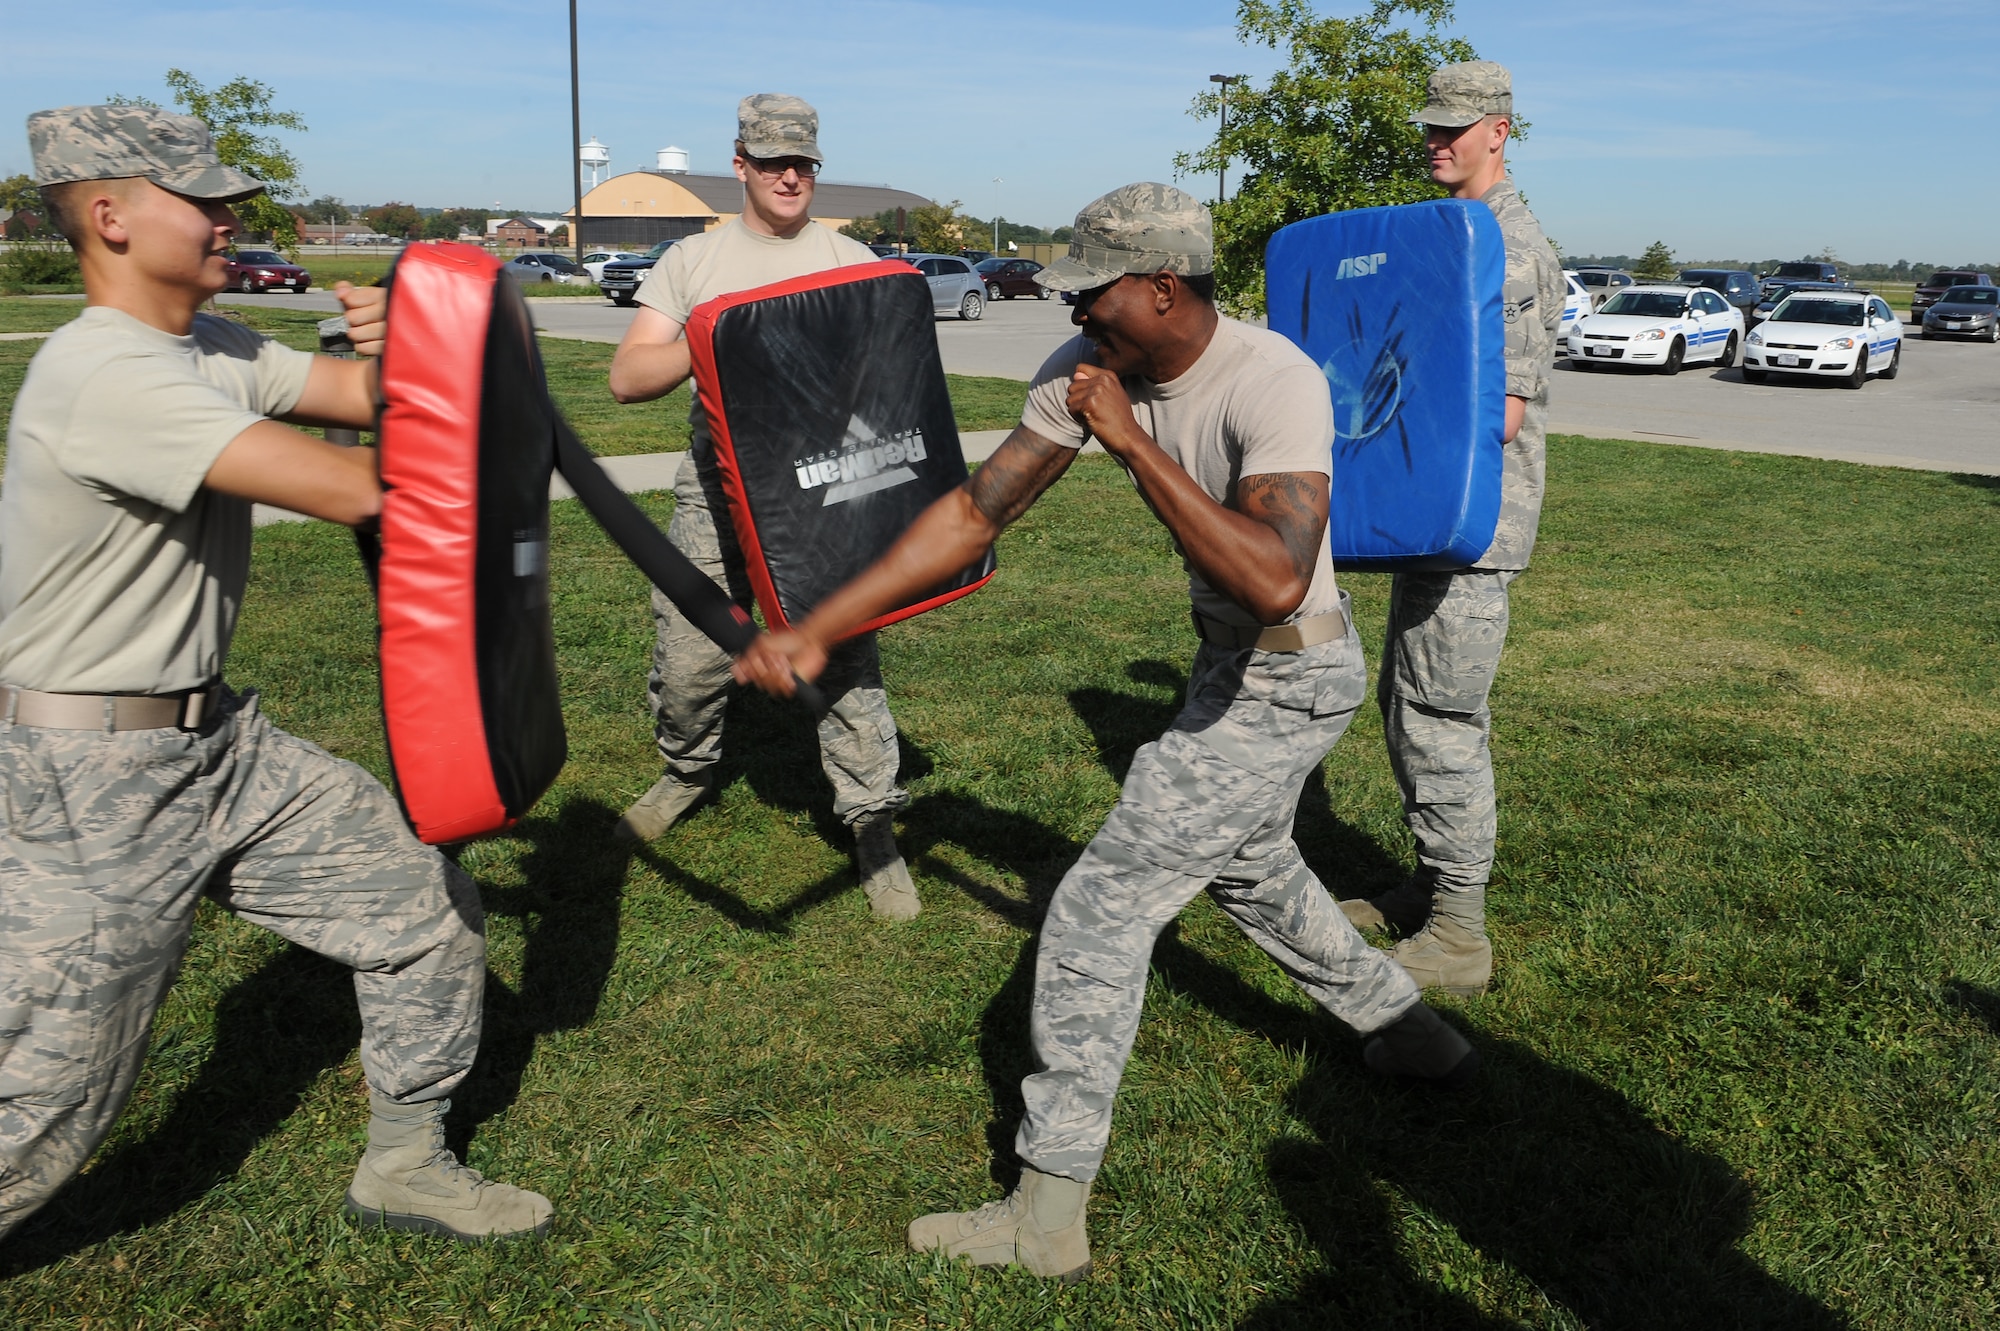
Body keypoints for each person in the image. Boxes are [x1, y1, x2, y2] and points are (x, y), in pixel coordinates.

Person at [735, 183, 1479, 1280]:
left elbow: (1275, 579)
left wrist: (1130, 443)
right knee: (1251, 869)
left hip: (1291, 670)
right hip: (1227, 664)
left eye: (1093, 295)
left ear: (1163, 288)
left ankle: (1046, 1212)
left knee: (1094, 909)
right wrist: (816, 627)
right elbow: (972, 511)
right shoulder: (1084, 370)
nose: (1073, 315)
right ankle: (1411, 1033)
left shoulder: (1270, 378)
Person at [0, 104, 550, 1243]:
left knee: (420, 905)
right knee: (47, 1106)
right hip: (84, 780)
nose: (227, 219)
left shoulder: (212, 347)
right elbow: (374, 489)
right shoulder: (106, 373)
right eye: (197, 200)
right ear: (108, 216)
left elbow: (372, 406)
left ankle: (405, 1163)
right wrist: (431, 368)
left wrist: (389, 354)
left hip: (216, 744)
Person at [607, 94, 919, 920]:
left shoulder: (850, 258)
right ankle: (686, 773)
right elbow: (626, 378)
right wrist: (709, 332)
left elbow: (891, 386)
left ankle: (871, 821)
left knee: (846, 656)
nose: (790, 175)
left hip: (820, 487)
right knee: (689, 658)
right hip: (714, 486)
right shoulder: (691, 262)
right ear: (739, 164)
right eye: (773, 160)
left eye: (803, 163)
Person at [1338, 61, 1564, 996]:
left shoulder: (1507, 252)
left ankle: (1461, 933)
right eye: (1429, 124)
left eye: (1454, 127)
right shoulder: (1447, 236)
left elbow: (1498, 412)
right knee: (1408, 703)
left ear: (1499, 130)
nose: (1436, 138)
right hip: (1427, 512)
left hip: (1473, 522)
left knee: (1441, 715)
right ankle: (1429, 886)